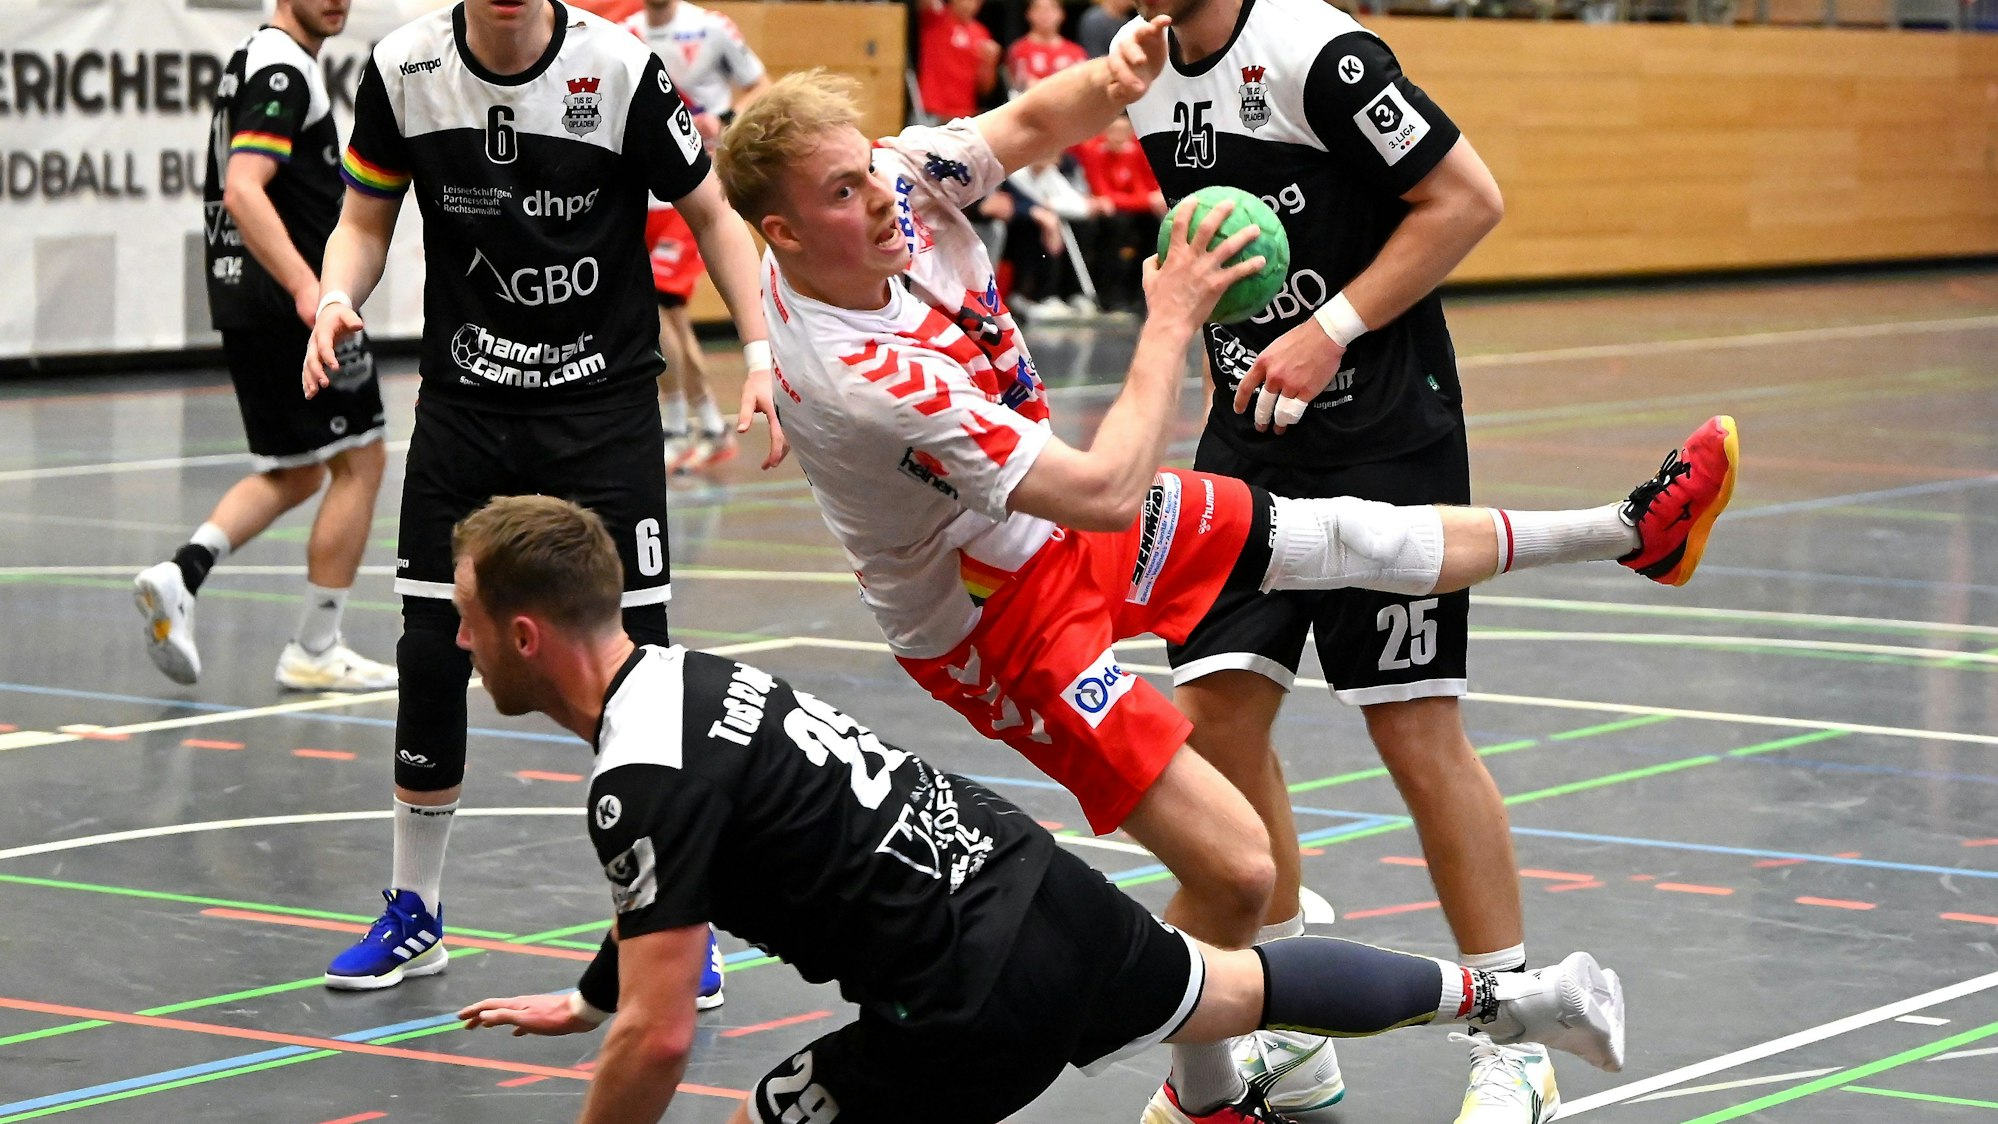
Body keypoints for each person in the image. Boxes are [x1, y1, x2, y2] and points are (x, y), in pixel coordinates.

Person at [714, 55, 1734, 1124]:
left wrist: (1123, 67)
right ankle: (1205, 1095)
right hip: (996, 622)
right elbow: (1106, 489)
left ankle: (1631, 530)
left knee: (1319, 536)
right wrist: (1174, 312)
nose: (879, 196)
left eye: (867, 171)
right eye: (842, 193)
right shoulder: (867, 382)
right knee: (1240, 873)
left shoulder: (897, 179)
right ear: (782, 235)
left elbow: (1032, 116)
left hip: (1042, 521)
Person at [448, 492, 1627, 1124]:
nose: (454, 640)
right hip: (1025, 879)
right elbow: (672, 886)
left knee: (782, 1111)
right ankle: (1519, 996)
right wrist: (591, 990)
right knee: (1241, 982)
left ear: (525, 633)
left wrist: (615, 1026)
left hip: (964, 1004)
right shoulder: (692, 680)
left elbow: (658, 1038)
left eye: (464, 617)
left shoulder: (632, 778)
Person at [1124, 0, 1575, 1116]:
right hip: (1248, 430)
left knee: (1414, 727)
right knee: (1218, 709)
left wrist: (1333, 328)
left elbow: (1469, 198)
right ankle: (1286, 1022)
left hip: (1383, 429)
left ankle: (1516, 1031)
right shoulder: (1135, 74)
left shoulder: (1316, 51)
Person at [299, 0, 781, 995]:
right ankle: (414, 909)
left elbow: (710, 212)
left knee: (638, 670)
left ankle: (674, 920)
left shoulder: (618, 70)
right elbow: (361, 220)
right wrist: (334, 294)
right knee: (432, 649)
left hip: (599, 410)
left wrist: (764, 351)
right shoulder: (403, 68)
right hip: (467, 407)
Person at [135, 0, 395, 693]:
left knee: (301, 466)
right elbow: (244, 189)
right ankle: (316, 645)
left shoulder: (257, 59)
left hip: (245, 300)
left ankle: (182, 572)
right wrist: (310, 289)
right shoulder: (282, 68)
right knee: (362, 458)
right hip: (289, 305)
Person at [623, 0, 773, 471]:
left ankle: (675, 428)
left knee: (661, 307)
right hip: (637, 194)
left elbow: (760, 86)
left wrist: (726, 119)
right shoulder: (625, 33)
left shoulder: (709, 28)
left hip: (691, 192)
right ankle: (706, 424)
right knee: (668, 319)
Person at [1073, 113, 1167, 313]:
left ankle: (1139, 293)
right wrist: (1143, 201)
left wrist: (1140, 201)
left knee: (1153, 225)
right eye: (1114, 131)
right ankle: (1108, 294)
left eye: (1123, 132)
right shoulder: (1094, 151)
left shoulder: (1134, 152)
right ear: (1105, 131)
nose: (1118, 137)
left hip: (1127, 212)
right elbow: (1103, 195)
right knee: (1117, 226)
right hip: (1104, 216)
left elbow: (1141, 190)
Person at [916, 0, 1000, 121]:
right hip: (932, 111)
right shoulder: (937, 17)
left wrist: (990, 64)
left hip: (963, 115)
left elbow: (985, 88)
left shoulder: (981, 33)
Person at [1005, 0, 1089, 94]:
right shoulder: (1019, 49)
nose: (1045, 14)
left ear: (1061, 14)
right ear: (1029, 14)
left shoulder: (1076, 52)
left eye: (1051, 8)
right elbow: (1023, 84)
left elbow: (1082, 85)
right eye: (1039, 9)